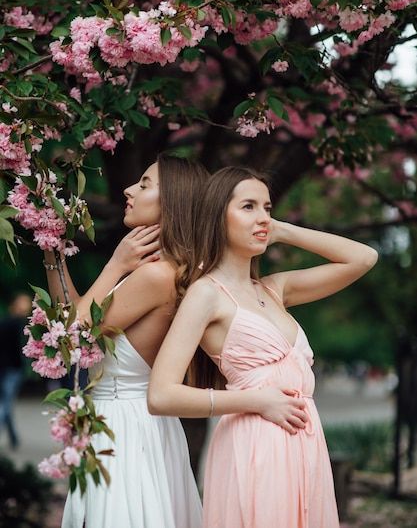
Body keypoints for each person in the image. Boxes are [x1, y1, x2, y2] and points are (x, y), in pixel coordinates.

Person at [148, 166, 378, 528]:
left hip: (305, 443)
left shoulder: (276, 288)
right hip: (254, 445)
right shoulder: (205, 294)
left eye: (267, 208)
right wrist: (256, 400)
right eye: (248, 207)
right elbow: (161, 396)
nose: (263, 218)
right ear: (216, 215)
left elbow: (363, 258)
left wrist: (284, 230)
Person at [43, 152, 208, 528]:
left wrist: (115, 264)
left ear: (174, 203)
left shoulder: (156, 276)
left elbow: (72, 339)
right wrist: (52, 250)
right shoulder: (166, 270)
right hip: (139, 425)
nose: (129, 189)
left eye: (146, 184)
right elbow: (78, 314)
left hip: (126, 429)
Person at [0, 291, 32, 449]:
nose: (27, 306)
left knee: (7, 401)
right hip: (12, 368)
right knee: (6, 403)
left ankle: (13, 438)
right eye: (24, 303)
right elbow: (19, 349)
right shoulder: (16, 324)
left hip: (5, 368)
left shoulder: (5, 321)